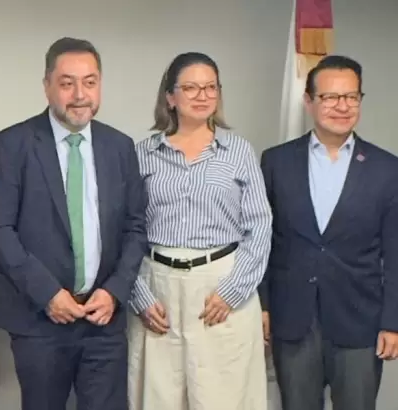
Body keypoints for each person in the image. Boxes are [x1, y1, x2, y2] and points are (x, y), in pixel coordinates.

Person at [0, 37, 147, 410]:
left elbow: (136, 227)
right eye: (67, 83)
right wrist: (48, 294)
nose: (80, 95)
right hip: (39, 319)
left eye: (90, 82)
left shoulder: (119, 147)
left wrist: (114, 291)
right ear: (47, 86)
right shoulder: (13, 144)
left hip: (103, 318)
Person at [126, 52, 272, 410]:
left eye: (211, 87)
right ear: (170, 97)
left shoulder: (239, 152)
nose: (202, 95)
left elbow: (260, 225)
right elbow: (123, 229)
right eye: (191, 87)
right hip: (157, 288)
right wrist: (138, 295)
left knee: (223, 399)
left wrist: (233, 291)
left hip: (221, 289)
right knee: (158, 399)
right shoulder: (142, 154)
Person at [259, 55, 398, 410]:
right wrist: (262, 306)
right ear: (309, 101)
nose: (342, 106)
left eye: (351, 97)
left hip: (360, 321)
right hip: (293, 318)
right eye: (331, 97)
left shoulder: (387, 169)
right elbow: (262, 241)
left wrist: (392, 322)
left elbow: (395, 252)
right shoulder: (276, 161)